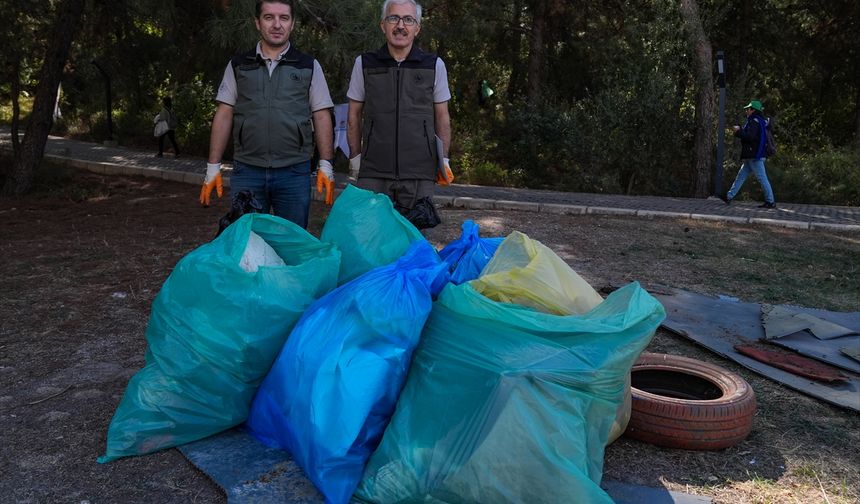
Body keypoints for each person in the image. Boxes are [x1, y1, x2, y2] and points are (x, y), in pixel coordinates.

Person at [200, 0, 335, 228]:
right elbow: (224, 113)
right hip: (247, 171)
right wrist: (213, 166)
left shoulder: (309, 66)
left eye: (284, 18)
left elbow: (321, 115)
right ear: (257, 22)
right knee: (247, 243)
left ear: (292, 24)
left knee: (291, 243)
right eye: (269, 17)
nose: (277, 24)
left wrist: (326, 164)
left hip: (294, 172)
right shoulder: (238, 65)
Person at [346, 0, 453, 218]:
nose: (400, 26)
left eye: (408, 19)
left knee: (415, 244)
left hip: (419, 173)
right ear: (382, 25)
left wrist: (444, 160)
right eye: (393, 18)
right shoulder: (365, 63)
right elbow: (353, 116)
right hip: (373, 172)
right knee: (370, 243)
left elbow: (442, 117)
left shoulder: (434, 65)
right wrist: (355, 159)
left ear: (417, 28)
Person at [721, 99, 776, 209]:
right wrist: (740, 131)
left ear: (753, 110)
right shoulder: (760, 121)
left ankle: (770, 201)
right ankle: (728, 196)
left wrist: (738, 131)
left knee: (762, 178)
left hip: (755, 155)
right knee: (741, 176)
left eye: (748, 109)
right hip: (754, 155)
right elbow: (752, 136)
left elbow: (750, 137)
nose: (746, 111)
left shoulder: (754, 121)